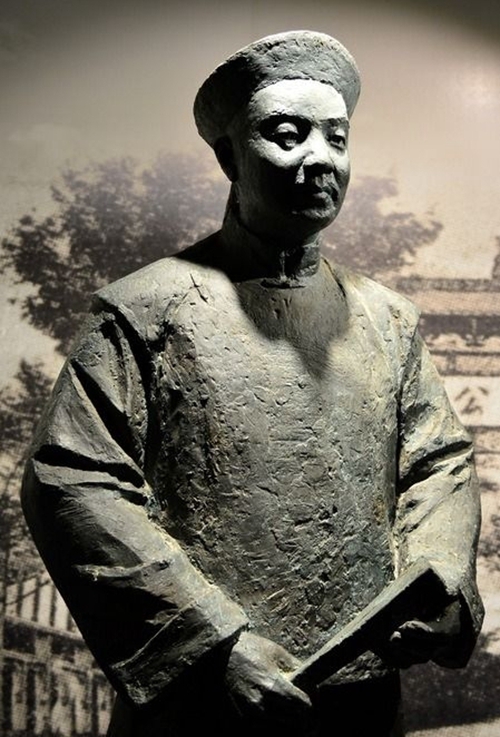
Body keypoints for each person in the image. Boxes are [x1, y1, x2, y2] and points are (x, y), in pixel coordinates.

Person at [22, 31, 483, 737]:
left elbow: (439, 463)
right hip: (200, 707)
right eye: (288, 136)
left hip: (363, 703)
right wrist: (212, 646)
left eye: (336, 138)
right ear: (228, 157)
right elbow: (72, 481)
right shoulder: (143, 312)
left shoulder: (389, 321)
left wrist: (440, 577)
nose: (319, 158)